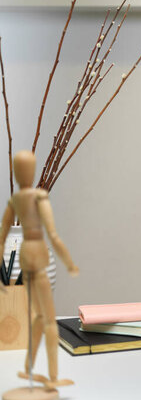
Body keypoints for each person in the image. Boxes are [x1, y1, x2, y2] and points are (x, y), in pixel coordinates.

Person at [0, 150, 79, 387]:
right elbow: (53, 235)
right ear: (32, 172)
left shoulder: (15, 200)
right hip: (38, 255)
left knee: (38, 316)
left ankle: (28, 367)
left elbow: (3, 237)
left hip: (25, 256)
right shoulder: (38, 197)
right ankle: (53, 377)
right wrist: (69, 263)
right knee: (48, 319)